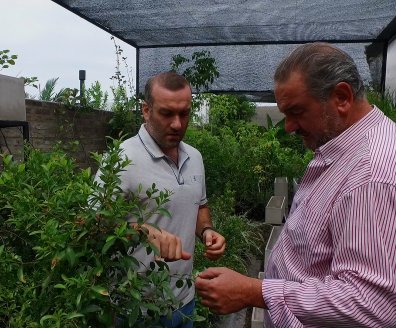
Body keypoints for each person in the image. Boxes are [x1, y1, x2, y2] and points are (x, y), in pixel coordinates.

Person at [195, 42, 396, 327]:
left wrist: (255, 291)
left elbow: (371, 302)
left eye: (297, 111)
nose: (288, 126)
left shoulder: (370, 173)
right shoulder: (340, 146)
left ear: (341, 97)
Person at [102, 71, 226, 327]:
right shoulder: (120, 159)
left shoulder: (195, 157)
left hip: (184, 302)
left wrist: (207, 231)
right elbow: (89, 224)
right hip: (135, 308)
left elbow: (199, 205)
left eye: (184, 113)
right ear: (146, 110)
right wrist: (143, 232)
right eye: (167, 113)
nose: (178, 124)